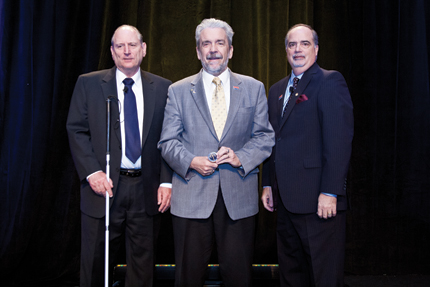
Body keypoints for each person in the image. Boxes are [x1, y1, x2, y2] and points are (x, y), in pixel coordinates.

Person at [158, 18, 275, 287]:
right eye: (206, 44)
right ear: (198, 51)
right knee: (188, 277)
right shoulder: (177, 91)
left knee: (238, 277)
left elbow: (265, 137)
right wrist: (191, 161)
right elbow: (167, 141)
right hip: (191, 197)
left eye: (219, 43)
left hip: (238, 197)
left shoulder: (253, 88)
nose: (213, 49)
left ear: (230, 50)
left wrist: (240, 158)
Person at [66, 25, 172, 287]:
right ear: (112, 52)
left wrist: (166, 181)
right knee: (95, 262)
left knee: (142, 263)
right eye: (120, 46)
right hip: (103, 188)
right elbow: (76, 129)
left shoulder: (164, 88)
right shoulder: (89, 83)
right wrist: (92, 172)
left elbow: (170, 138)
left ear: (143, 49)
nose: (127, 51)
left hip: (146, 189)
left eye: (132, 45)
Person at [262, 24, 354, 287]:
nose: (297, 49)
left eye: (304, 43)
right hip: (285, 202)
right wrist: (267, 183)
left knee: (323, 276)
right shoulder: (277, 89)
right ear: (286, 50)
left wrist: (331, 191)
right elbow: (273, 140)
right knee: (291, 275)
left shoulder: (329, 81)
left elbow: (339, 141)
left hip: (318, 202)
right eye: (292, 44)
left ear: (316, 48)